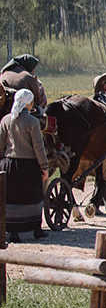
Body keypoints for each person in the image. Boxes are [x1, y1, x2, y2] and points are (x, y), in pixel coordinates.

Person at [0, 89, 48, 241]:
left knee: (11, 198)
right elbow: (38, 147)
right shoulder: (33, 122)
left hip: (9, 164)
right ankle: (36, 229)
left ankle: (12, 231)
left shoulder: (6, 120)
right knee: (32, 197)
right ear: (28, 103)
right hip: (28, 166)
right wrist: (44, 167)